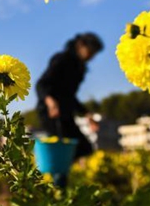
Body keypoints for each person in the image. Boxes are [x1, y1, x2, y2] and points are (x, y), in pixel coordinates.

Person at [35, 32, 104, 186]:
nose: (91, 57)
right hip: (51, 113)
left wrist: (87, 114)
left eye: (94, 54)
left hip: (66, 113)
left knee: (84, 147)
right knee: (60, 149)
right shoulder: (61, 59)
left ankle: (60, 180)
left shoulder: (79, 69)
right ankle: (56, 186)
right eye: (91, 52)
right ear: (80, 45)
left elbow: (70, 96)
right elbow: (41, 84)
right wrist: (49, 100)